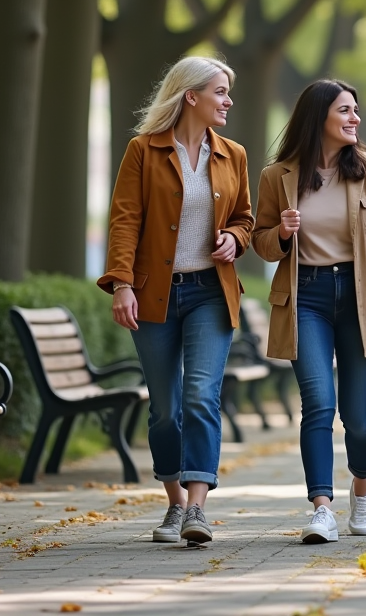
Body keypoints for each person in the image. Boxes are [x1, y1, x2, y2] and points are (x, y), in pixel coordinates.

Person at [98, 56, 254, 545]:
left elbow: (246, 218)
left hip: (211, 292)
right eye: (220, 92)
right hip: (155, 295)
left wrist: (234, 238)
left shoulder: (233, 154)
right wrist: (122, 284)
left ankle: (197, 509)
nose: (228, 101)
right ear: (191, 96)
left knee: (201, 396)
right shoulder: (142, 151)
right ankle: (174, 504)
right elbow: (125, 219)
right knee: (166, 408)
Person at [252, 80, 366, 544]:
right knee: (318, 403)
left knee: (357, 416)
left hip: (360, 297)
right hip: (306, 297)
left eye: (356, 110)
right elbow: (261, 243)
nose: (355, 118)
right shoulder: (278, 176)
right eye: (345, 110)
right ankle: (321, 507)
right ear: (318, 116)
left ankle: (362, 487)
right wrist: (281, 233)